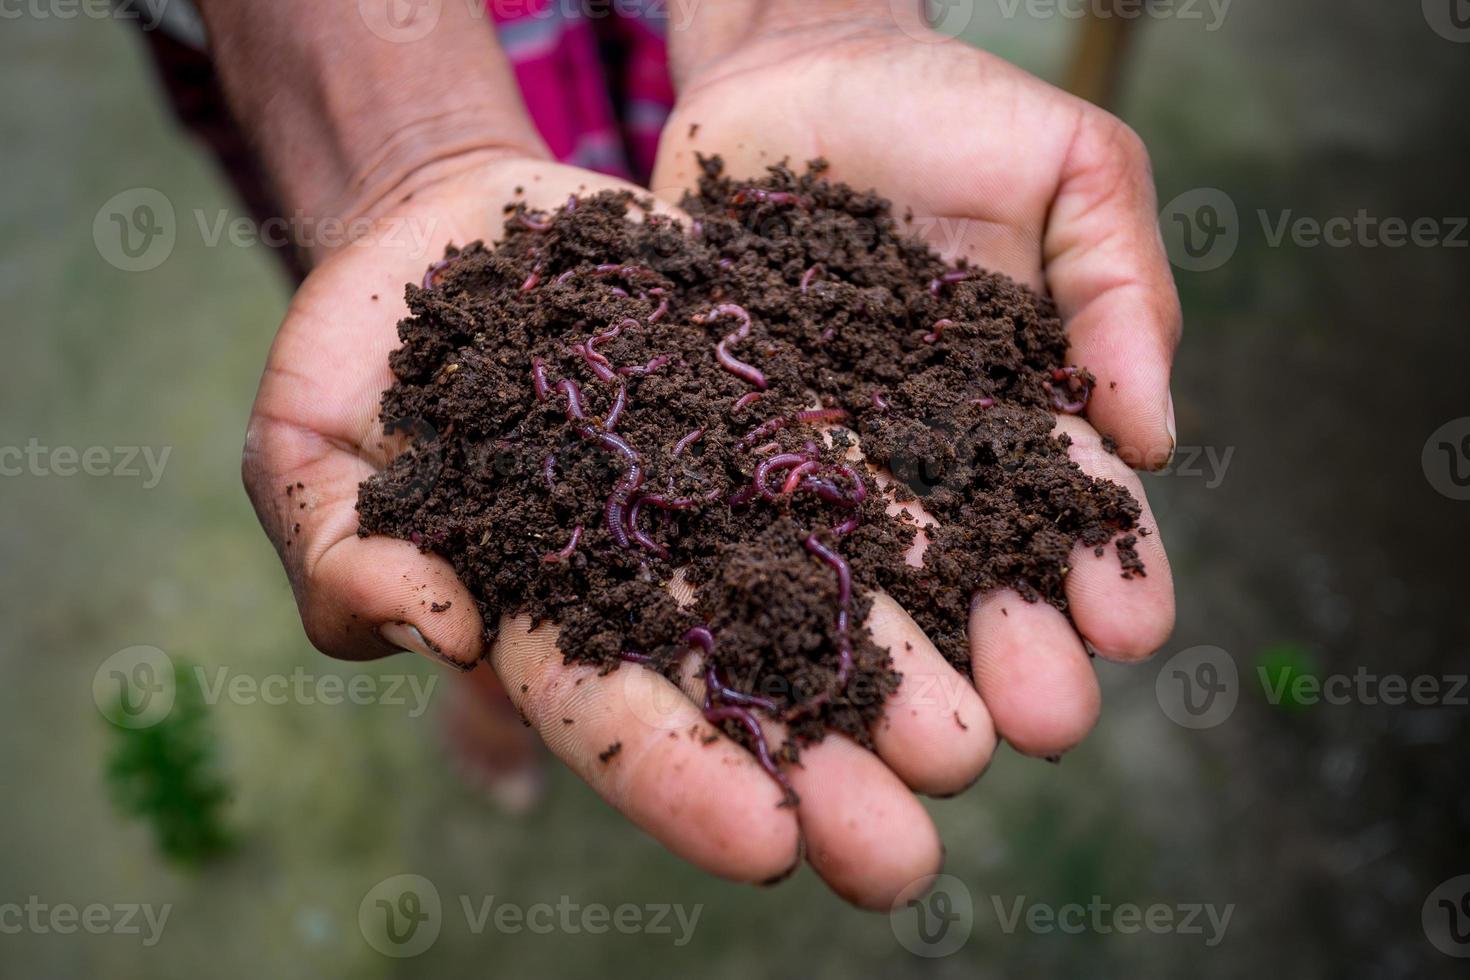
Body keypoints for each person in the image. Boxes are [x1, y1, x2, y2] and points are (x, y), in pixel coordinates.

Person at [177, 0, 1179, 910]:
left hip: (688, 78)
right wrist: (404, 154)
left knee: (470, 550)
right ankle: (483, 682)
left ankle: (482, 680)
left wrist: (803, 21)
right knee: (457, 527)